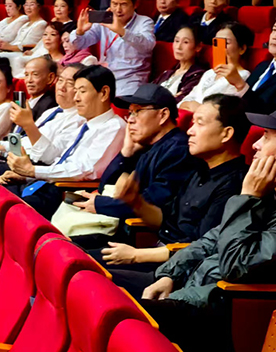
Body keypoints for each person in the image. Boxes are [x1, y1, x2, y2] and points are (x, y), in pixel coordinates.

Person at [141, 103, 276, 352]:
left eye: (267, 137)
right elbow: (211, 240)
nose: (255, 145)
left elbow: (237, 265)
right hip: (193, 289)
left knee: (119, 318)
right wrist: (170, 274)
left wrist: (248, 197)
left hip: (221, 310)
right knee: (102, 291)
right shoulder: (275, 191)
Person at [99, 95, 250, 297]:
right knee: (77, 256)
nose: (190, 131)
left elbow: (202, 247)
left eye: (200, 123)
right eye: (192, 123)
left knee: (92, 278)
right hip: (158, 252)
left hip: (180, 272)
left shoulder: (235, 185)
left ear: (226, 134)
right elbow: (165, 221)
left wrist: (136, 255)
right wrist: (136, 202)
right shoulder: (199, 169)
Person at [66, 84, 199, 250]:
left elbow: (152, 202)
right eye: (130, 113)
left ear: (163, 115)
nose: (130, 120)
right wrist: (126, 152)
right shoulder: (147, 144)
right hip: (119, 230)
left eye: (138, 112)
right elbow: (105, 185)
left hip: (145, 242)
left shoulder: (179, 150)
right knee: (60, 244)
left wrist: (101, 204)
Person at [71, 0, 156, 96]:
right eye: (114, 4)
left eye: (123, 4)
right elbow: (78, 45)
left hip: (130, 80)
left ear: (136, 4)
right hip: (104, 77)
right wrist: (80, 32)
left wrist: (121, 30)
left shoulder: (144, 22)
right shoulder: (106, 19)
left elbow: (147, 45)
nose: (118, 10)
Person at [179, 21, 254, 111]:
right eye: (216, 43)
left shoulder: (242, 76)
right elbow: (184, 101)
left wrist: (196, 107)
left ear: (242, 49)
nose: (220, 48)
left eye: (226, 43)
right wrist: (191, 105)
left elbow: (221, 110)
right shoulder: (209, 73)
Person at [152, 25, 208, 103]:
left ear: (198, 47)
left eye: (185, 42)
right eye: (177, 41)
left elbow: (179, 101)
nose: (178, 47)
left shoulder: (197, 76)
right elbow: (147, 91)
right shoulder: (168, 72)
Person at [0, 0, 47, 78]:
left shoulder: (41, 24)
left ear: (39, 7)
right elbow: (16, 40)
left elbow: (30, 45)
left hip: (23, 54)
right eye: (26, 5)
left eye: (31, 4)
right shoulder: (26, 24)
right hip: (14, 52)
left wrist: (9, 47)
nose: (28, 7)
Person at [20, 54, 58, 121]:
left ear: (50, 78)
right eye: (26, 75)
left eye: (35, 74)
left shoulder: (50, 104)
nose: (29, 80)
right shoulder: (26, 101)